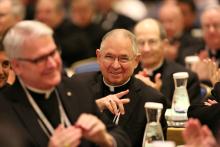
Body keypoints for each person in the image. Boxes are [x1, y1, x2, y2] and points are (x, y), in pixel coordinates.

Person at [0, 20, 130, 147]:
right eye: (40, 59)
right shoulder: (5, 110)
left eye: (53, 53)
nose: (52, 64)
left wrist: (106, 140)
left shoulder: (77, 87)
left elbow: (121, 137)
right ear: (17, 66)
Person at [71, 29, 167, 147]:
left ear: (136, 61)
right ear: (98, 56)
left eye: (123, 58)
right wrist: (95, 107)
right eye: (109, 57)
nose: (116, 65)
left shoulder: (152, 99)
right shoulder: (77, 85)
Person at [134, 18, 201, 107]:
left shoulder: (186, 79)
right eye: (141, 42)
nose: (146, 49)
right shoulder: (127, 74)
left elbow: (187, 117)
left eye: (152, 42)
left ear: (164, 44)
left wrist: (156, 94)